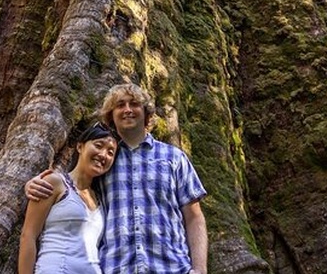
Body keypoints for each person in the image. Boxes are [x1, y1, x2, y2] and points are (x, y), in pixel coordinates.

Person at [27, 84, 208, 274]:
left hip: (171, 268)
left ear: (146, 113)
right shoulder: (103, 161)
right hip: (117, 268)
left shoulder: (174, 157)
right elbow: (72, 184)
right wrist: (32, 184)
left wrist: (200, 269)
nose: (128, 110)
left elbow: (194, 217)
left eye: (134, 104)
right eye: (120, 105)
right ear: (111, 116)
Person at [19, 122, 119, 274]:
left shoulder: (101, 198)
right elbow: (28, 236)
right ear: (80, 147)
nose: (104, 154)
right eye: (99, 145)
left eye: (111, 152)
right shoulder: (54, 182)